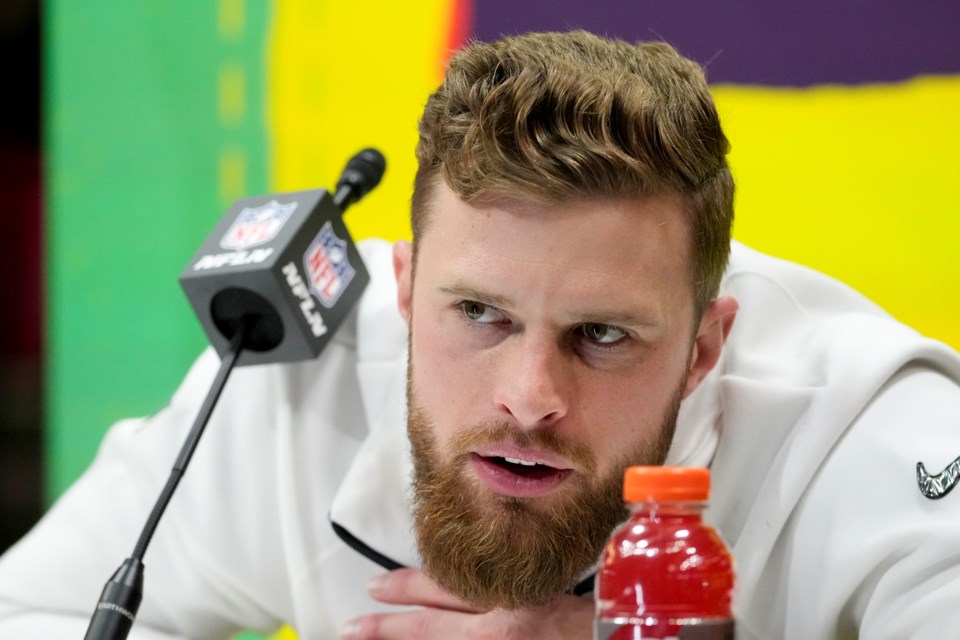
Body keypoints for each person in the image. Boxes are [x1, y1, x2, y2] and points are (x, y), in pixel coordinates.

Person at [2, 30, 960, 640]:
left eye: (603, 336)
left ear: (707, 347)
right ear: (407, 285)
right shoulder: (298, 379)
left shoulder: (869, 432)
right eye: (479, 315)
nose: (529, 394)